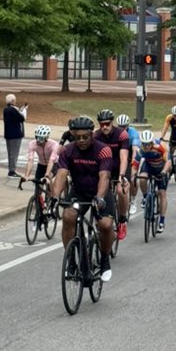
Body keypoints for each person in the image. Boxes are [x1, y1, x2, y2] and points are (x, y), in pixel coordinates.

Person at [50, 115, 115, 281]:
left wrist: (100, 198)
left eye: (85, 137)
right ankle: (71, 259)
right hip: (79, 191)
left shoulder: (103, 150)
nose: (81, 140)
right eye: (77, 137)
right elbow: (61, 175)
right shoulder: (68, 151)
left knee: (105, 225)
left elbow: (104, 177)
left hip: (100, 191)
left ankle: (104, 259)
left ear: (92, 134)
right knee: (68, 215)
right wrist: (55, 197)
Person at [94, 109, 131, 240]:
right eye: (102, 124)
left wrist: (121, 175)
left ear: (112, 123)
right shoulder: (96, 136)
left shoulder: (122, 135)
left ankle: (122, 220)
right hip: (105, 168)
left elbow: (124, 157)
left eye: (107, 124)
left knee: (121, 190)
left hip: (120, 166)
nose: (104, 127)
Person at [135, 131, 171, 232]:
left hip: (161, 168)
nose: (145, 147)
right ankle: (145, 196)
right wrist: (133, 175)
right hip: (149, 167)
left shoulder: (161, 146)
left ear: (152, 143)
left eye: (148, 144)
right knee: (142, 178)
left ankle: (162, 221)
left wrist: (164, 172)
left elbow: (168, 161)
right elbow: (135, 165)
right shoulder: (139, 149)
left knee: (162, 193)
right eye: (144, 144)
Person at [116, 113, 142, 217]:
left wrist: (133, 166)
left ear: (128, 125)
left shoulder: (133, 133)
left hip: (131, 155)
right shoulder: (115, 133)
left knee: (132, 179)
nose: (122, 129)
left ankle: (133, 200)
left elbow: (135, 150)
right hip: (120, 155)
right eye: (120, 127)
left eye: (124, 127)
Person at [3, 93, 28, 177]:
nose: (16, 101)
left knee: (10, 153)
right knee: (14, 153)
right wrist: (24, 110)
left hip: (8, 134)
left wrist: (20, 110)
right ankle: (12, 171)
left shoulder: (6, 109)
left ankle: (11, 169)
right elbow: (22, 118)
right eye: (15, 100)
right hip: (15, 135)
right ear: (12, 101)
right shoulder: (13, 110)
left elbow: (16, 116)